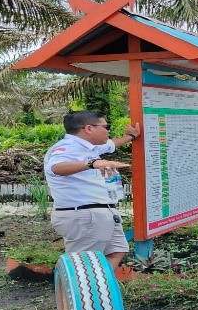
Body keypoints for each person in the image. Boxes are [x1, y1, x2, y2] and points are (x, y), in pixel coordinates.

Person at [44, 110, 141, 271]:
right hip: (84, 214)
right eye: (105, 126)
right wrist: (93, 164)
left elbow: (111, 145)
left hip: (101, 212)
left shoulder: (91, 148)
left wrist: (131, 137)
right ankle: (84, 294)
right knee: (83, 264)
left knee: (117, 250)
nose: (108, 131)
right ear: (88, 129)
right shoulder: (66, 147)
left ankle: (98, 289)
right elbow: (56, 167)